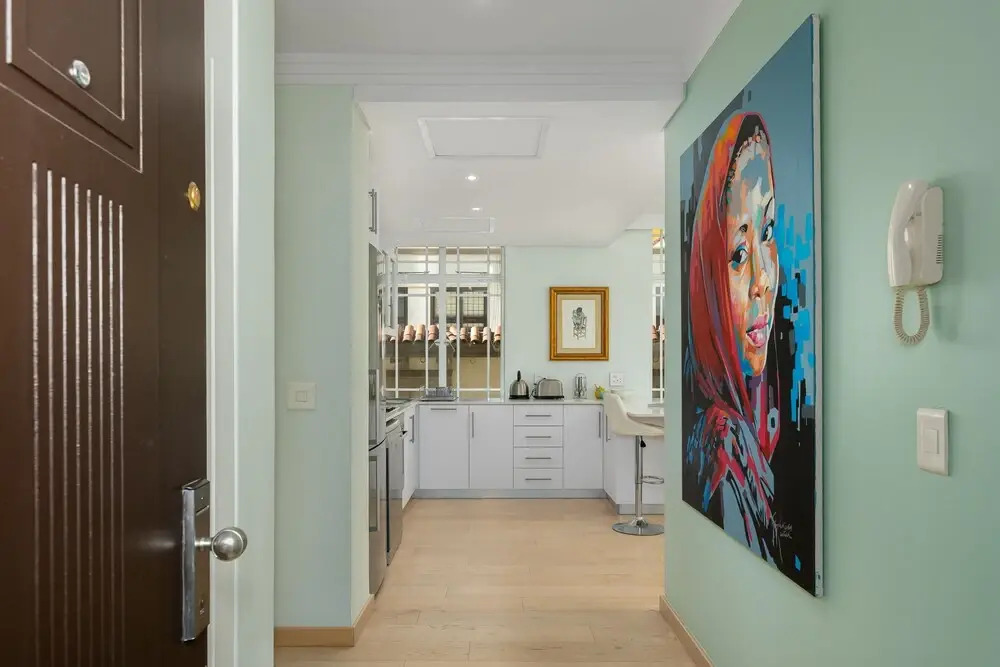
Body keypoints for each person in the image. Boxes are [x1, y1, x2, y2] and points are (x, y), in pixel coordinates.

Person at [685, 111, 782, 562]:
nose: (763, 280)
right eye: (739, 254)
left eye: (768, 232)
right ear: (707, 280)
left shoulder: (754, 425)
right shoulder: (726, 446)